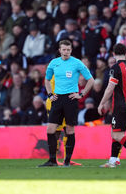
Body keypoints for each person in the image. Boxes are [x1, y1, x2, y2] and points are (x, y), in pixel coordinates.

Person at [39, 39, 94, 167]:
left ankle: (67, 161)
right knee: (50, 129)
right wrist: (50, 94)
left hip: (71, 99)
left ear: (71, 50)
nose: (66, 52)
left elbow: (90, 80)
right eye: (64, 49)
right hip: (57, 99)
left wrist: (81, 94)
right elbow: (47, 80)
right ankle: (52, 160)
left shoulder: (77, 63)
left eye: (68, 50)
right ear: (60, 50)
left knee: (69, 129)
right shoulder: (54, 63)